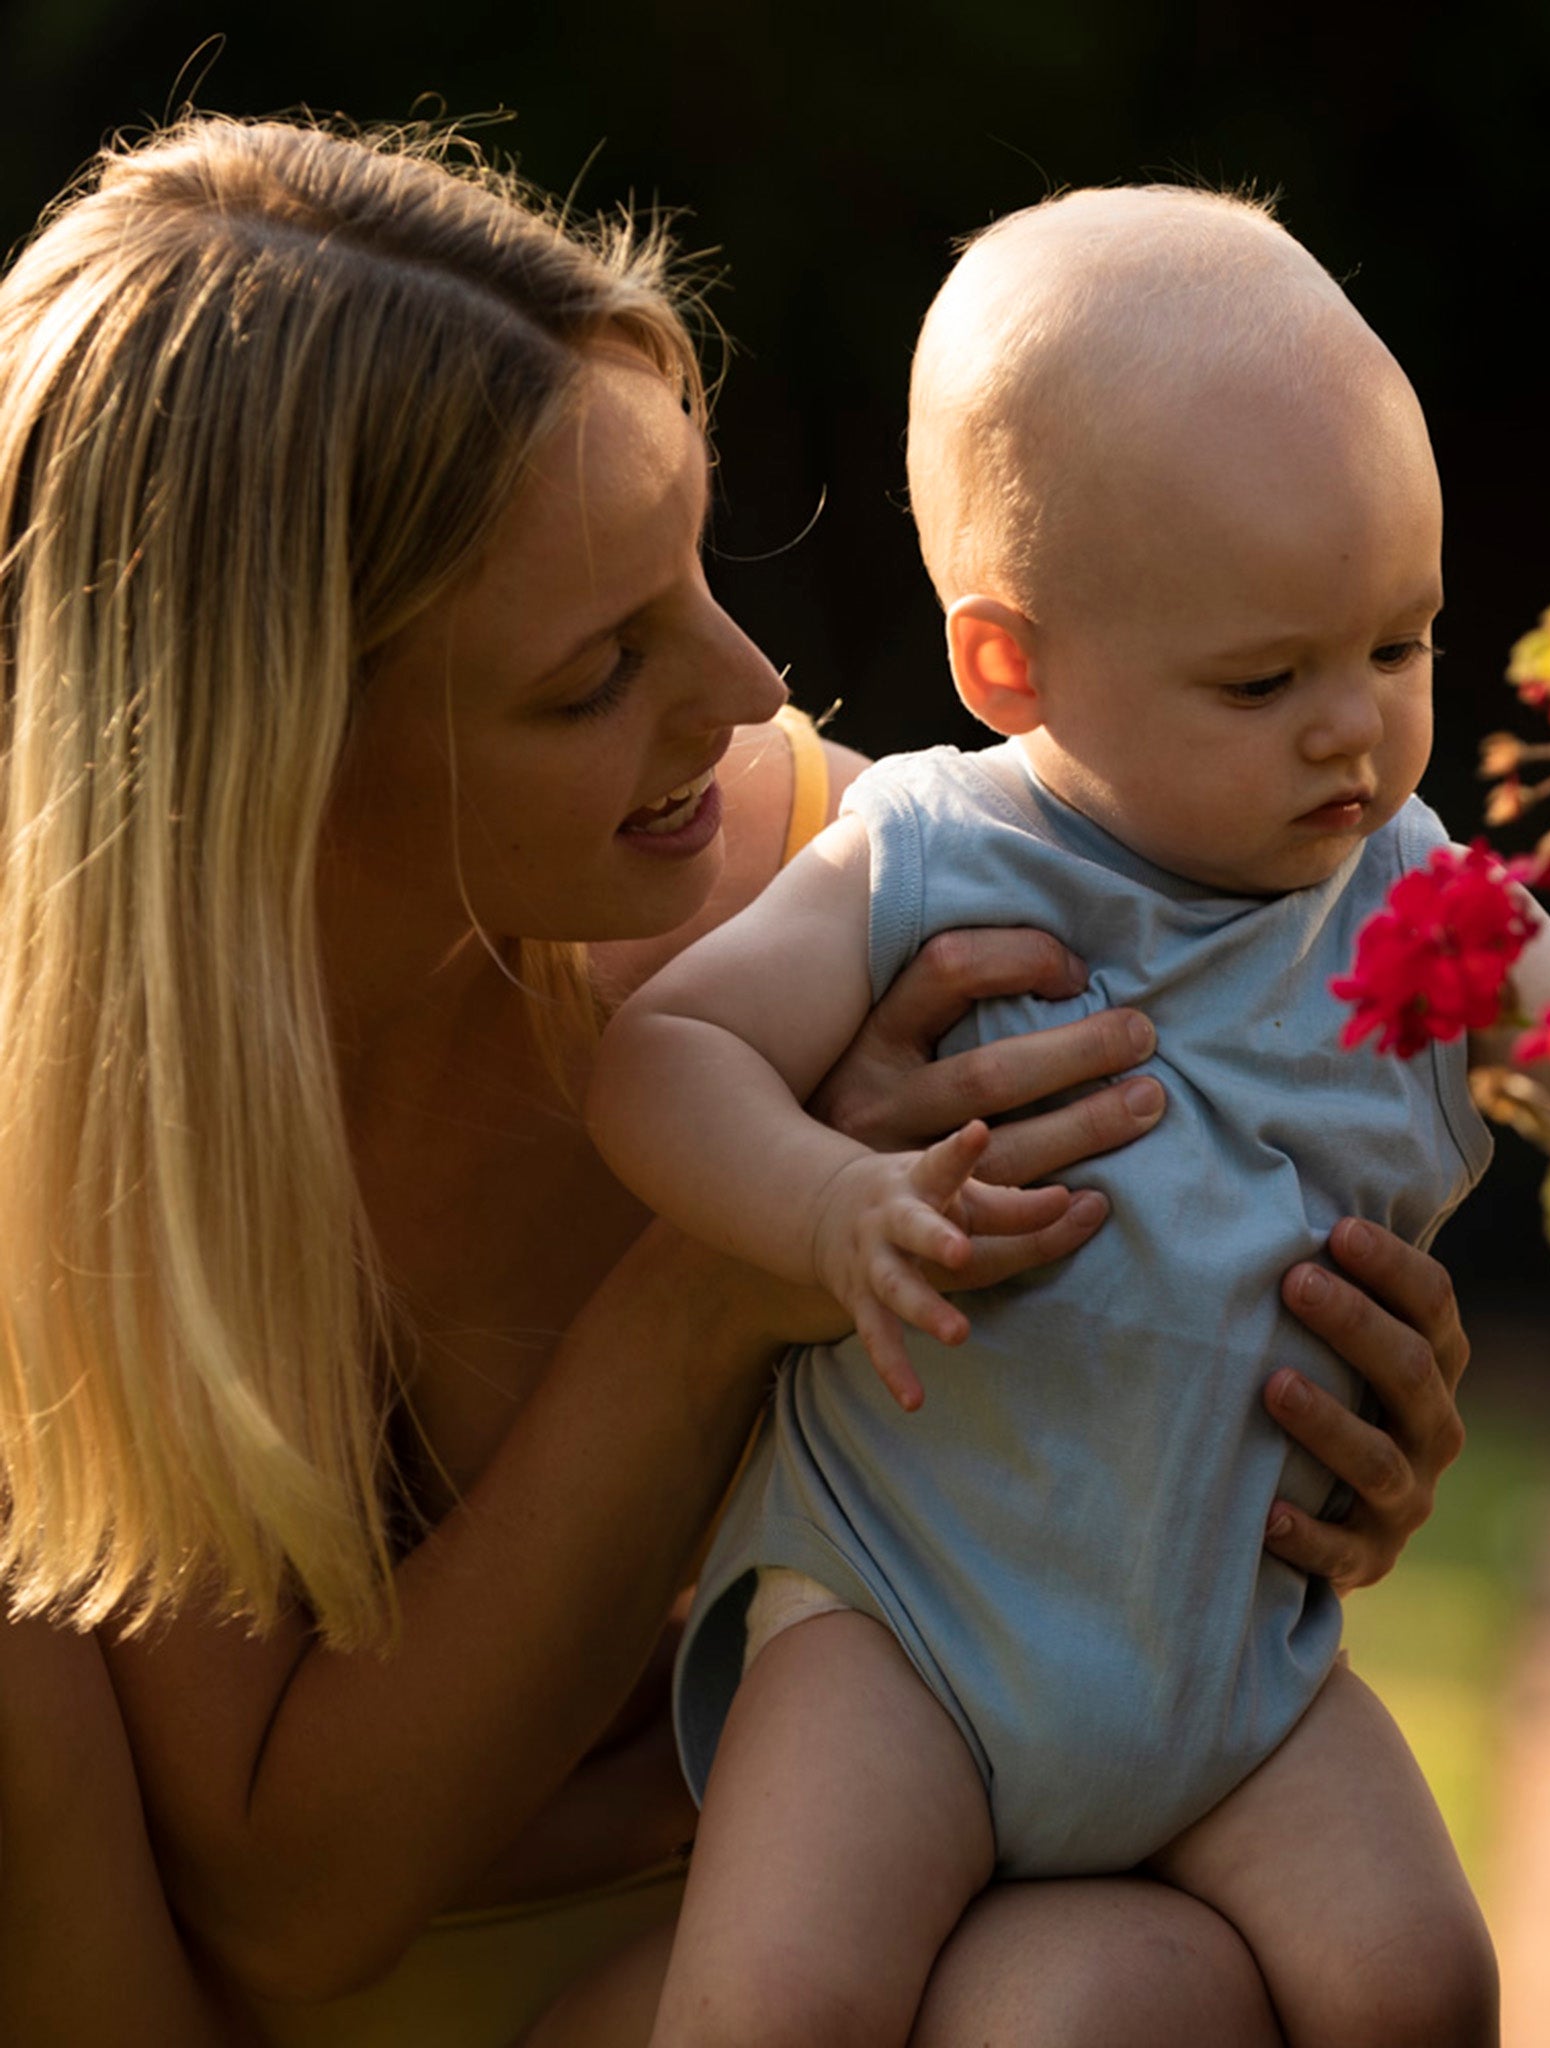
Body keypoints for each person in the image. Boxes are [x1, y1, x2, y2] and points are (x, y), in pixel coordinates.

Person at [0, 123, 1475, 2048]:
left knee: (1122, 1994)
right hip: (386, 1983)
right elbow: (297, 1911)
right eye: (595, 669)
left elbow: (1201, 1239)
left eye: (689, 565)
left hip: (829, 1891)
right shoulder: (96, 1146)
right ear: (283, 752)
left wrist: (1299, 1424)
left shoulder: (830, 884)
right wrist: (722, 1278)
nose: (748, 677)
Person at [593, 186, 1550, 2048]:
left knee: (1419, 1979)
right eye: (1265, 678)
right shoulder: (933, 855)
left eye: (1400, 646)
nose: (1357, 737)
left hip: (1232, 1661)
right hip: (909, 1623)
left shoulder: (1403, 891)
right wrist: (829, 1205)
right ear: (1011, 667)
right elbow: (663, 1056)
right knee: (777, 2006)